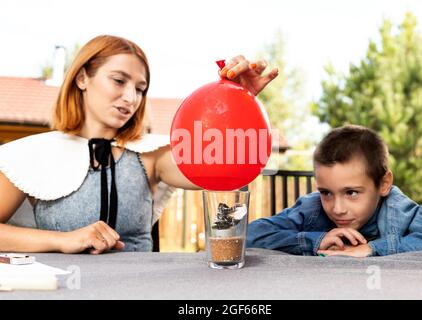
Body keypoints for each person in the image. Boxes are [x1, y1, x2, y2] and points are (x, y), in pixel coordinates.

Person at [0, 35, 278, 254]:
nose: (131, 98)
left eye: (140, 89)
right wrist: (63, 241)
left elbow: (228, 165)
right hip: (62, 288)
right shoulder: (33, 153)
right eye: (119, 81)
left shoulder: (151, 155)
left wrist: (239, 100)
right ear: (82, 78)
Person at [247, 125, 422, 257]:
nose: (337, 208)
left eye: (351, 192)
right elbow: (250, 234)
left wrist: (372, 248)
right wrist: (315, 240)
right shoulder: (312, 207)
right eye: (326, 192)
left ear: (383, 183)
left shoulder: (398, 209)